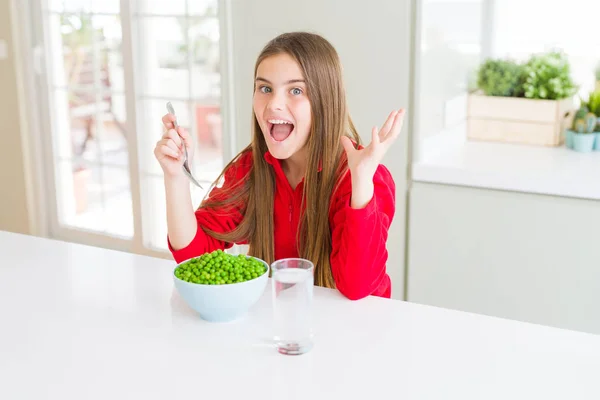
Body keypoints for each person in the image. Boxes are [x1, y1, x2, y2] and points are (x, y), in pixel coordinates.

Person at [154, 32, 404, 300]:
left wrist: (362, 181)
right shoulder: (251, 168)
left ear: (325, 100)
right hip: (280, 323)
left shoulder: (366, 178)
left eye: (295, 90)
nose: (273, 104)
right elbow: (192, 254)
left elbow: (356, 288)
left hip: (353, 332)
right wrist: (175, 175)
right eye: (265, 88)